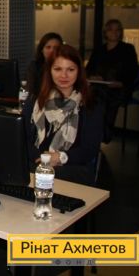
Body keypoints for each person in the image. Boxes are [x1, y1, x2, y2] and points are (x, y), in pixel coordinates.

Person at [23, 44, 104, 185]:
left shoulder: (91, 104)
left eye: (70, 70)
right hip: (37, 164)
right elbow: (23, 139)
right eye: (58, 69)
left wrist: (61, 157)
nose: (64, 75)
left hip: (72, 168)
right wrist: (43, 159)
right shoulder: (35, 100)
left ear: (79, 71)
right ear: (50, 71)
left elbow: (89, 149)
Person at [85, 19, 139, 143]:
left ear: (121, 32)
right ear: (105, 32)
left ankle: (101, 135)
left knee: (102, 99)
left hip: (118, 89)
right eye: (110, 30)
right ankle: (91, 135)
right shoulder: (99, 50)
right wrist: (93, 77)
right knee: (88, 96)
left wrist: (121, 82)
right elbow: (88, 70)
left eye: (117, 29)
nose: (114, 32)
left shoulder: (128, 49)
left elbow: (132, 71)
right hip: (98, 87)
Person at [26, 32, 63, 97]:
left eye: (56, 48)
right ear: (42, 50)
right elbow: (30, 91)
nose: (52, 50)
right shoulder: (34, 66)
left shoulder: (65, 68)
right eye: (48, 47)